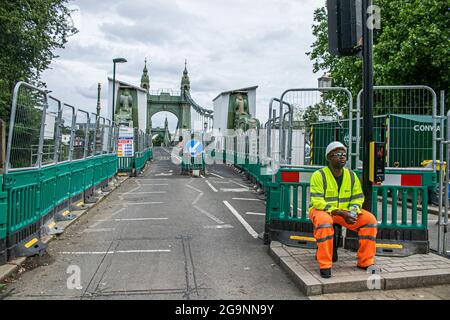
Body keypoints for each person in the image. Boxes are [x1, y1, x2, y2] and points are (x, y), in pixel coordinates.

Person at [309, 141, 378, 278]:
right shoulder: (319, 175)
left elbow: (357, 197)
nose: (342, 157)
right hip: (323, 211)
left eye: (344, 154)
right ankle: (325, 265)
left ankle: (365, 261)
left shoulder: (351, 176)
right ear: (329, 157)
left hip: (345, 212)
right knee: (324, 223)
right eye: (338, 154)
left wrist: (352, 212)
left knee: (369, 220)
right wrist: (340, 212)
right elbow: (317, 201)